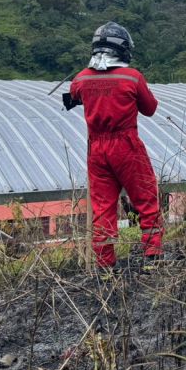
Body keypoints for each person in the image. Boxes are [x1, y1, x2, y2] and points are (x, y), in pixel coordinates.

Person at [63, 22, 162, 269]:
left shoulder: (81, 79)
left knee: (103, 207)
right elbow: (150, 109)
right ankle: (152, 257)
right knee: (146, 199)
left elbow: (73, 96)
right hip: (126, 145)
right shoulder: (132, 77)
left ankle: (105, 267)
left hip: (96, 149)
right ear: (123, 48)